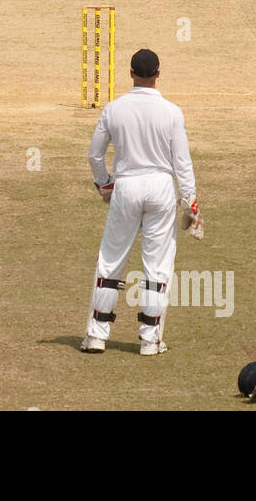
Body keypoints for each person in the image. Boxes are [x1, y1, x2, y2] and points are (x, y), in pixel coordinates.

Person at [82, 49, 200, 356]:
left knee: (110, 260)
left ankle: (96, 335)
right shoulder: (172, 112)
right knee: (157, 266)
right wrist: (190, 202)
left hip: (127, 186)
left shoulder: (114, 109)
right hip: (161, 188)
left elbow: (95, 154)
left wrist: (105, 183)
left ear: (130, 73)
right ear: (158, 74)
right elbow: (182, 162)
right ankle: (150, 340)